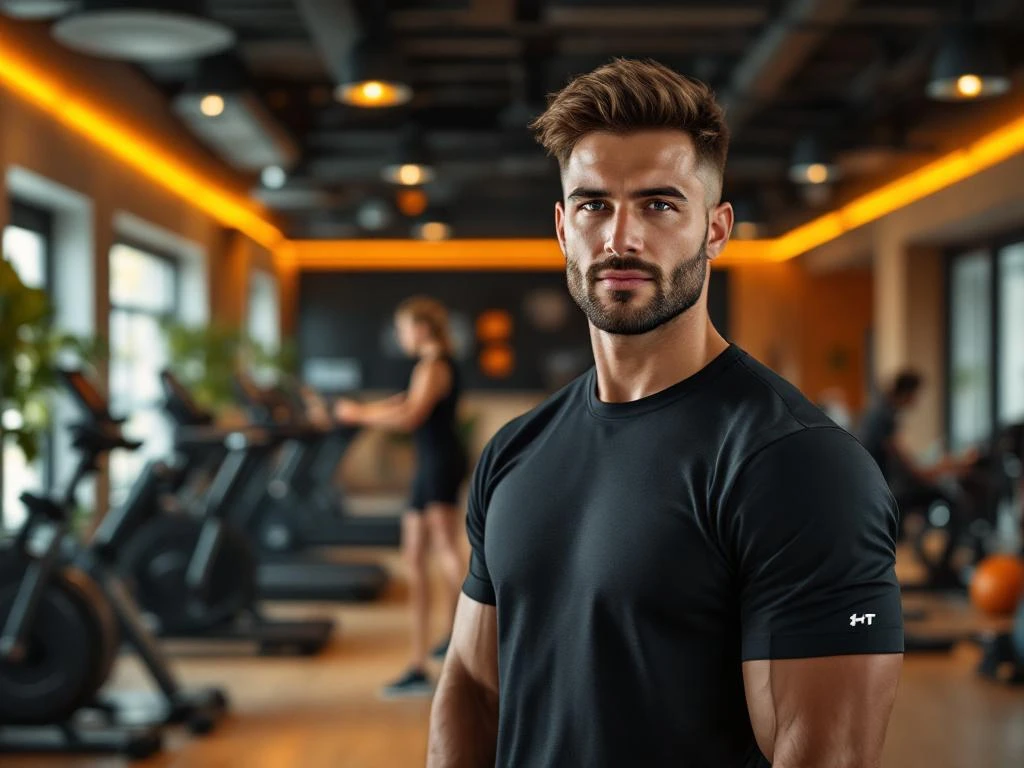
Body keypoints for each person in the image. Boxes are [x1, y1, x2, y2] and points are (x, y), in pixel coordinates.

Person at [428, 59, 903, 767]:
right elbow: (472, 684)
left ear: (716, 229)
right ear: (563, 226)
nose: (621, 238)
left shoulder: (800, 466)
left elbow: (823, 756)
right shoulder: (515, 451)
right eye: (593, 205)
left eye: (659, 204)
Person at [335, 296, 468, 698]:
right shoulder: (433, 365)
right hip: (433, 463)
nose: (400, 335)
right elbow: (403, 404)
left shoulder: (433, 366)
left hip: (438, 464)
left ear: (423, 329)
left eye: (404, 328)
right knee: (416, 556)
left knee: (444, 550)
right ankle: (436, 648)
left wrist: (358, 416)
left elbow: (410, 416)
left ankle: (461, 637)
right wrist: (362, 410)